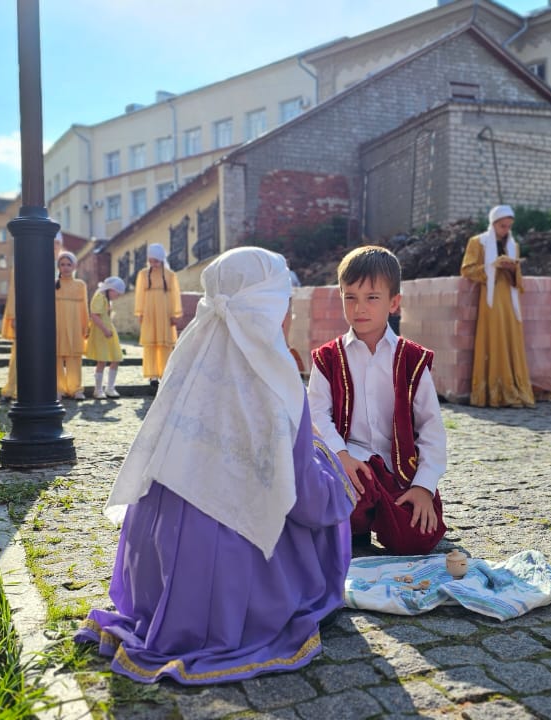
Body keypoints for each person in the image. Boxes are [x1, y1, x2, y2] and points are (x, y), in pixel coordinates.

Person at [78, 246, 354, 684]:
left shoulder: (187, 366)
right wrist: (341, 494)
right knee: (321, 478)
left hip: (154, 567)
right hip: (227, 577)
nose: (288, 317)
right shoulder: (277, 384)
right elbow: (302, 496)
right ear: (269, 309)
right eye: (284, 304)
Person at [309, 245, 448, 555]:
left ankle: (367, 520)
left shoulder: (412, 360)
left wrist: (424, 487)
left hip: (399, 475)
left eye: (372, 298)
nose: (360, 308)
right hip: (350, 468)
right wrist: (341, 456)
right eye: (351, 297)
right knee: (338, 513)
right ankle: (356, 523)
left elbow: (431, 428)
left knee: (418, 538)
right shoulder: (328, 359)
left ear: (394, 303)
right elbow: (317, 415)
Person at [459, 205, 535, 408]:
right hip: (490, 299)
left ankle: (513, 388)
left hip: (510, 300)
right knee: (494, 338)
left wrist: (511, 268)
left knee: (511, 338)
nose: (505, 230)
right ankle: (492, 392)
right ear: (493, 224)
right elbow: (467, 269)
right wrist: (492, 266)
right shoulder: (478, 242)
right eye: (502, 226)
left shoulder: (513, 245)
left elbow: (517, 279)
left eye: (509, 226)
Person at [0, 233, 64, 400]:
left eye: (57, 244)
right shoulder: (26, 262)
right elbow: (15, 290)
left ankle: (44, 389)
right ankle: (13, 389)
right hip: (27, 314)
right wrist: (14, 316)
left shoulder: (62, 267)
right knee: (20, 353)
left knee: (47, 354)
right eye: (52, 243)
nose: (54, 247)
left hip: (50, 318)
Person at [134, 243, 182, 387]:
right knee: (151, 343)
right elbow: (139, 295)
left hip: (165, 312)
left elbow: (175, 295)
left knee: (165, 343)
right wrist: (140, 312)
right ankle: (153, 375)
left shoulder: (170, 275)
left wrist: (175, 313)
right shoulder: (143, 274)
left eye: (156, 261)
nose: (153, 264)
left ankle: (165, 373)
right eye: (151, 261)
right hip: (149, 312)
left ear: (161, 259)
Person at [55, 251, 89, 399]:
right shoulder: (53, 284)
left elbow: (84, 307)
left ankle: (76, 389)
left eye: (69, 264)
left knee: (74, 358)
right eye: (62, 264)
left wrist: (85, 326)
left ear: (74, 266)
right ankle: (58, 389)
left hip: (75, 325)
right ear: (58, 267)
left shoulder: (80, 285)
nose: (66, 267)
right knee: (56, 357)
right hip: (57, 325)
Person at [87, 276, 125, 399]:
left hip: (109, 330)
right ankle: (98, 390)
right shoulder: (99, 297)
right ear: (110, 289)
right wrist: (105, 330)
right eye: (117, 293)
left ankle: (110, 388)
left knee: (116, 358)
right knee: (102, 360)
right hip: (101, 332)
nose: (117, 296)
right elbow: (95, 316)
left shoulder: (106, 299)